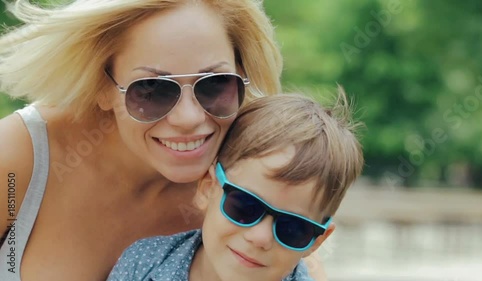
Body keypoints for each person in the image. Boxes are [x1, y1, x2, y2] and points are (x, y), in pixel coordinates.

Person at [0, 0, 286, 280]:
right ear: (103, 87)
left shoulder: (251, 180)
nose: (188, 118)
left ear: (242, 78)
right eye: (151, 89)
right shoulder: (18, 157)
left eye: (214, 84)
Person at [107, 91, 364, 281]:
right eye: (244, 206)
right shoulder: (144, 265)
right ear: (208, 187)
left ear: (317, 240)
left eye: (293, 229)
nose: (260, 237)